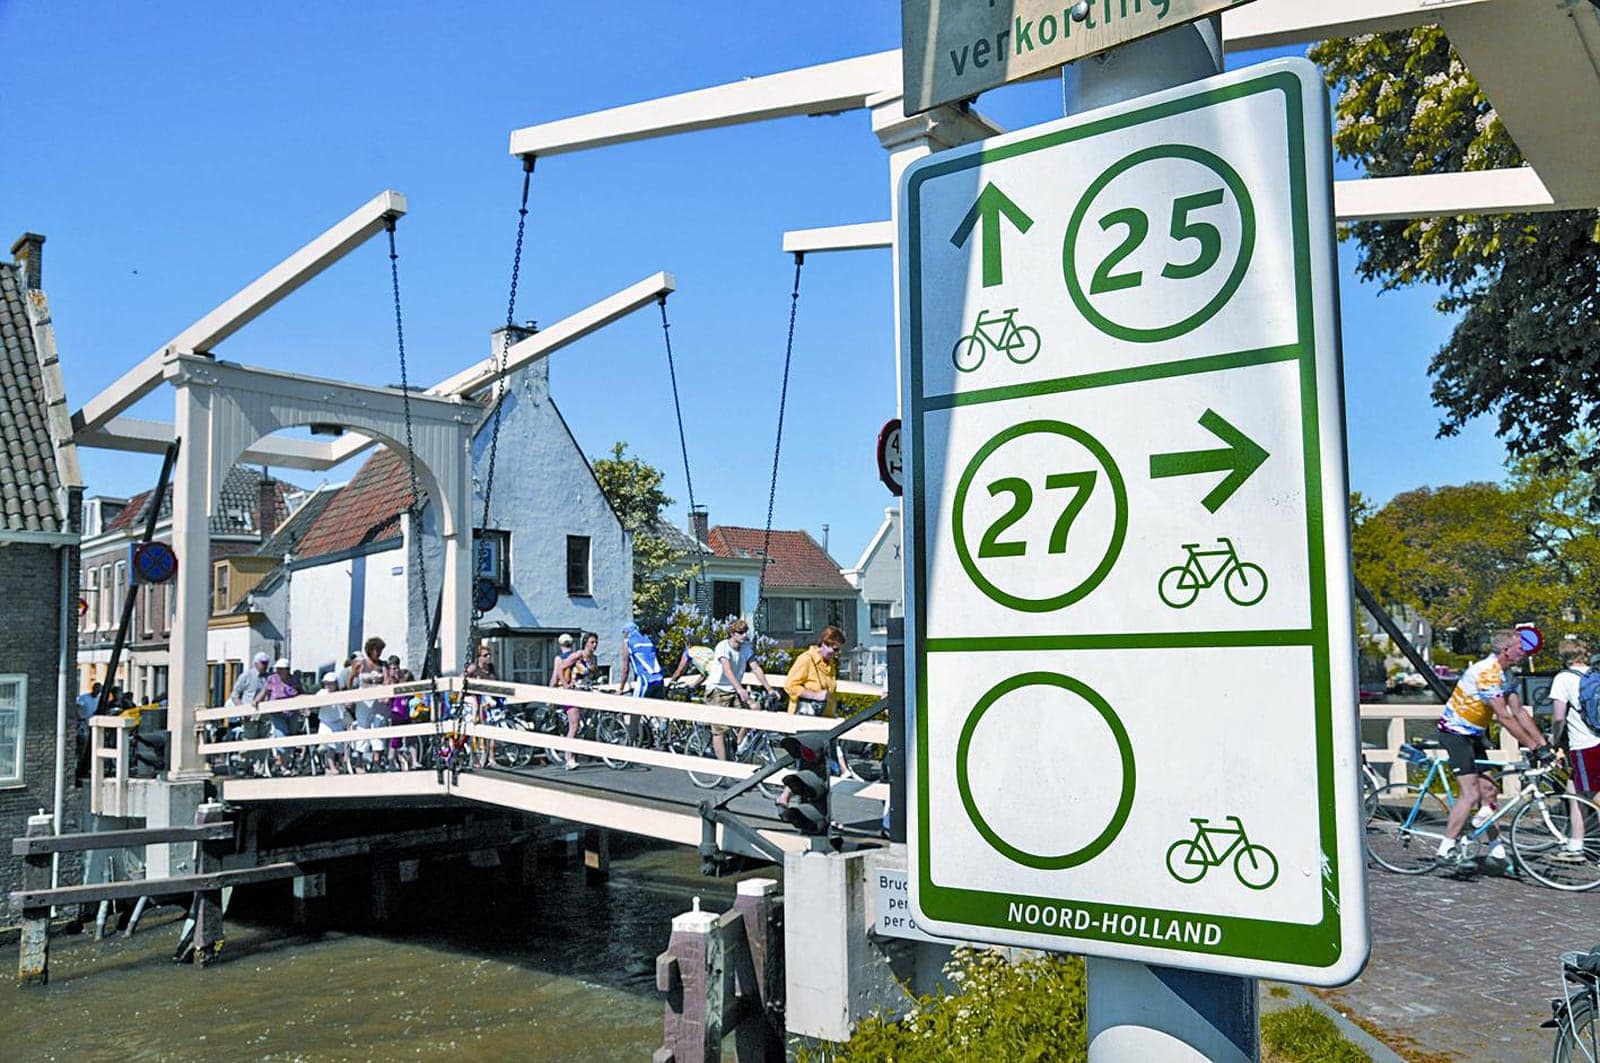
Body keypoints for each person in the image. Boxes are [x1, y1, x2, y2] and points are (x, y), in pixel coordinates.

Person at [1435, 629, 1554, 867]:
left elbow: (1519, 711)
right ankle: (1445, 848)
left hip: (1475, 734)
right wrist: (1531, 746)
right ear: (1505, 650)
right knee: (1470, 794)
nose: (1524, 652)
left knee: (1489, 792)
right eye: (1520, 648)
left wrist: (1542, 744)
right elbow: (1503, 716)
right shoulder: (1487, 672)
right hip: (1455, 733)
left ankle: (1496, 848)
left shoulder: (1506, 673)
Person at [1550, 638, 1600, 862]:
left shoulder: (1563, 678)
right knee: (1574, 792)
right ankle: (1575, 845)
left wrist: (1554, 739)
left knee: (1594, 797)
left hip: (1584, 744)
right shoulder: (1595, 675)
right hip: (1597, 740)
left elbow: (1559, 716)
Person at [704, 618, 773, 763]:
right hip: (718, 689)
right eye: (740, 632)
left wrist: (769, 688)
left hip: (734, 689)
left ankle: (739, 739)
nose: (743, 635)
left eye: (745, 632)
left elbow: (755, 667)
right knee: (719, 730)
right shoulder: (722, 647)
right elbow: (727, 670)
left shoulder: (746, 647)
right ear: (732, 633)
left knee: (755, 708)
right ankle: (724, 768)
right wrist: (740, 689)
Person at [554, 633, 601, 770]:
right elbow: (560, 669)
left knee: (587, 724)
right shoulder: (577, 656)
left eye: (596, 642)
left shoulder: (594, 659)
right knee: (574, 725)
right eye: (592, 642)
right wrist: (565, 685)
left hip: (586, 693)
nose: (595, 645)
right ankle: (569, 758)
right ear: (585, 643)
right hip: (573, 693)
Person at [254, 658, 302, 775]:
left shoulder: (293, 680)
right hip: (277, 713)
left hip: (292, 712)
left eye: (282, 669)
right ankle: (282, 766)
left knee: (291, 736)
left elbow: (300, 693)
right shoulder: (272, 679)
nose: (279, 671)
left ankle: (285, 764)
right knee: (281, 735)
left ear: (287, 670)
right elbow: (264, 691)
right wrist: (256, 701)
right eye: (278, 669)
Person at [347, 637, 389, 772]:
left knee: (378, 726)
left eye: (381, 650)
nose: (379, 653)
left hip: (378, 700)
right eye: (377, 650)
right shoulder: (361, 664)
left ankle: (376, 761)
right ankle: (359, 761)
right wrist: (351, 694)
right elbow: (351, 678)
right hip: (363, 699)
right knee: (363, 727)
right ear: (370, 650)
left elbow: (387, 681)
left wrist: (386, 695)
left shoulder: (383, 665)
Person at [784, 625, 844, 717]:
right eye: (835, 649)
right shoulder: (806, 659)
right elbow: (789, 686)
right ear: (824, 643)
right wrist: (815, 695)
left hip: (825, 720)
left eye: (838, 650)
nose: (837, 654)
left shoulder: (830, 663)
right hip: (804, 719)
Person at [616, 623, 666, 700]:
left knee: (637, 708)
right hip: (659, 679)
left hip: (645, 680)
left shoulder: (628, 642)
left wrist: (621, 689)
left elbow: (625, 669)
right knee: (656, 710)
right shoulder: (648, 640)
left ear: (626, 632)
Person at [316, 670, 348, 774]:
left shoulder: (340, 694)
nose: (328, 685)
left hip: (337, 722)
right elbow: (314, 702)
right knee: (329, 746)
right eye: (326, 683)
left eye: (330, 683)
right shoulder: (321, 693)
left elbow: (346, 706)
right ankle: (331, 766)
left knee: (338, 747)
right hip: (325, 722)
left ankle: (335, 766)